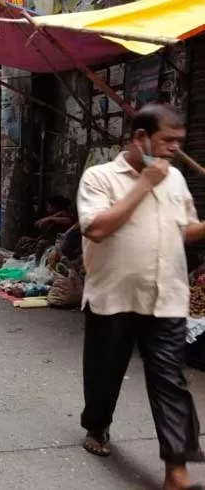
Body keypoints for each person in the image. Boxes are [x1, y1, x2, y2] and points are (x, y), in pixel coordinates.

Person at [76, 103, 205, 490]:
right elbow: (96, 229)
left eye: (179, 142)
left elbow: (187, 230)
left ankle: (176, 472)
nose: (174, 149)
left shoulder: (177, 180)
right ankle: (96, 426)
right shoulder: (99, 178)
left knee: (170, 380)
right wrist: (145, 183)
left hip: (166, 296)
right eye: (167, 141)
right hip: (113, 296)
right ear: (140, 138)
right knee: (105, 371)